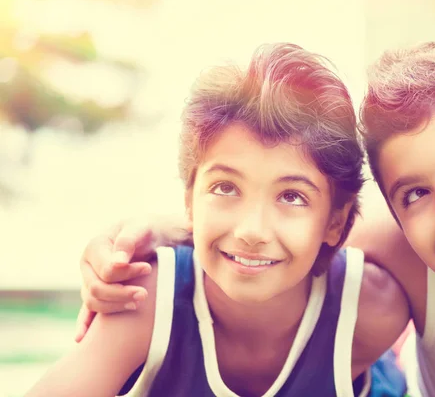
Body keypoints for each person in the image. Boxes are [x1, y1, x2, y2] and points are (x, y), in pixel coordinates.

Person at [76, 42, 435, 396]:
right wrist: (128, 240)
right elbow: (269, 230)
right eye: (414, 192)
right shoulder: (410, 247)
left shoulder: (430, 237)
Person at [27, 43, 408, 397]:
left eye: (292, 196)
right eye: (225, 188)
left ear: (335, 223)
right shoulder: (148, 297)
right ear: (189, 200)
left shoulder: (371, 310)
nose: (251, 231)